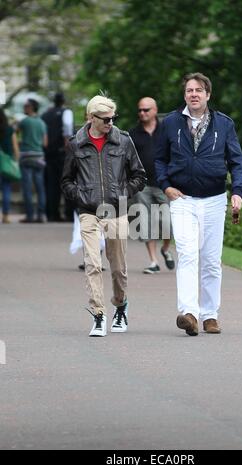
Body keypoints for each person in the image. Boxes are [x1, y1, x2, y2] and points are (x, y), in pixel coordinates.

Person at [155, 72, 242, 336]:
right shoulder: (171, 123)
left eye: (198, 90)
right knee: (187, 253)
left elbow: (237, 162)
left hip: (215, 199)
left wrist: (238, 191)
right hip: (182, 198)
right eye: (189, 90)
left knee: (210, 260)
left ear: (208, 94)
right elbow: (160, 159)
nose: (193, 94)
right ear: (184, 95)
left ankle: (210, 315)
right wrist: (166, 186)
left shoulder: (224, 124)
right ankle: (189, 314)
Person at [61, 94, 146, 337]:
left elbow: (139, 176)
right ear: (91, 118)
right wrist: (80, 197)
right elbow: (66, 180)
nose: (110, 123)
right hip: (88, 212)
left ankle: (120, 305)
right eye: (106, 119)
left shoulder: (123, 141)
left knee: (118, 267)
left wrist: (123, 193)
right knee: (93, 264)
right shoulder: (76, 144)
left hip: (116, 211)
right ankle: (98, 314)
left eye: (113, 118)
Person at [129, 97, 175, 274]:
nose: (142, 113)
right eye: (140, 110)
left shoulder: (167, 131)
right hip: (143, 185)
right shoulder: (133, 134)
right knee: (146, 222)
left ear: (155, 110)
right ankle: (153, 261)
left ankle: (165, 249)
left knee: (167, 223)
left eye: (146, 110)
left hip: (165, 184)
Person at [42, 92, 74, 222]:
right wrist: (68, 145)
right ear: (63, 101)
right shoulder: (66, 112)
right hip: (62, 152)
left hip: (48, 153)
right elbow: (67, 128)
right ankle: (68, 213)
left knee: (51, 184)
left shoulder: (45, 115)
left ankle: (52, 214)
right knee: (66, 181)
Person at [18, 99, 48, 223]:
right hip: (39, 156)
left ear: (31, 107)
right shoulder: (42, 123)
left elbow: (14, 134)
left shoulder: (24, 122)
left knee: (27, 187)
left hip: (26, 156)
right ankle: (41, 215)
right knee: (40, 187)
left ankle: (29, 216)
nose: (24, 107)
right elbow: (45, 143)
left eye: (26, 106)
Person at [0, 108, 20, 223]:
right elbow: (15, 147)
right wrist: (16, 161)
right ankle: (6, 216)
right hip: (6, 164)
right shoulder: (9, 130)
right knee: (6, 189)